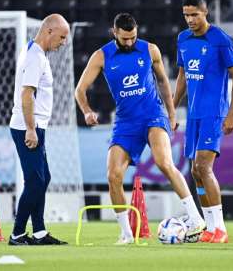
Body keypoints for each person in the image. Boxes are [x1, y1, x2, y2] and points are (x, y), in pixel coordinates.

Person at [75, 13, 205, 245]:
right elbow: (80, 90)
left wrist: (172, 113)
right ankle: (126, 234)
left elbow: (164, 82)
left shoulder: (150, 50)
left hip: (153, 115)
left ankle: (196, 219)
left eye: (133, 37)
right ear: (114, 33)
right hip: (125, 123)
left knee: (163, 162)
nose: (129, 42)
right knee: (113, 175)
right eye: (124, 38)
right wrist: (86, 110)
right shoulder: (101, 56)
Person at [173, 0, 233, 243]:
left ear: (206, 12)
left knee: (204, 166)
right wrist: (172, 108)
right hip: (193, 116)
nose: (190, 19)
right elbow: (182, 76)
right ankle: (210, 227)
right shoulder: (183, 39)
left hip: (214, 113)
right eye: (186, 15)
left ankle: (221, 229)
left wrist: (232, 113)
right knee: (195, 171)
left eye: (195, 14)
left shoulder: (220, 40)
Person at [8, 14, 70, 246]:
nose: (63, 42)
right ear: (49, 31)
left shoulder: (34, 51)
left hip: (32, 125)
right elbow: (27, 94)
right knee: (35, 182)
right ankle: (17, 233)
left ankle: (40, 232)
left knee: (42, 179)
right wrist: (31, 129)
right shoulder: (35, 57)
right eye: (62, 37)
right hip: (27, 127)